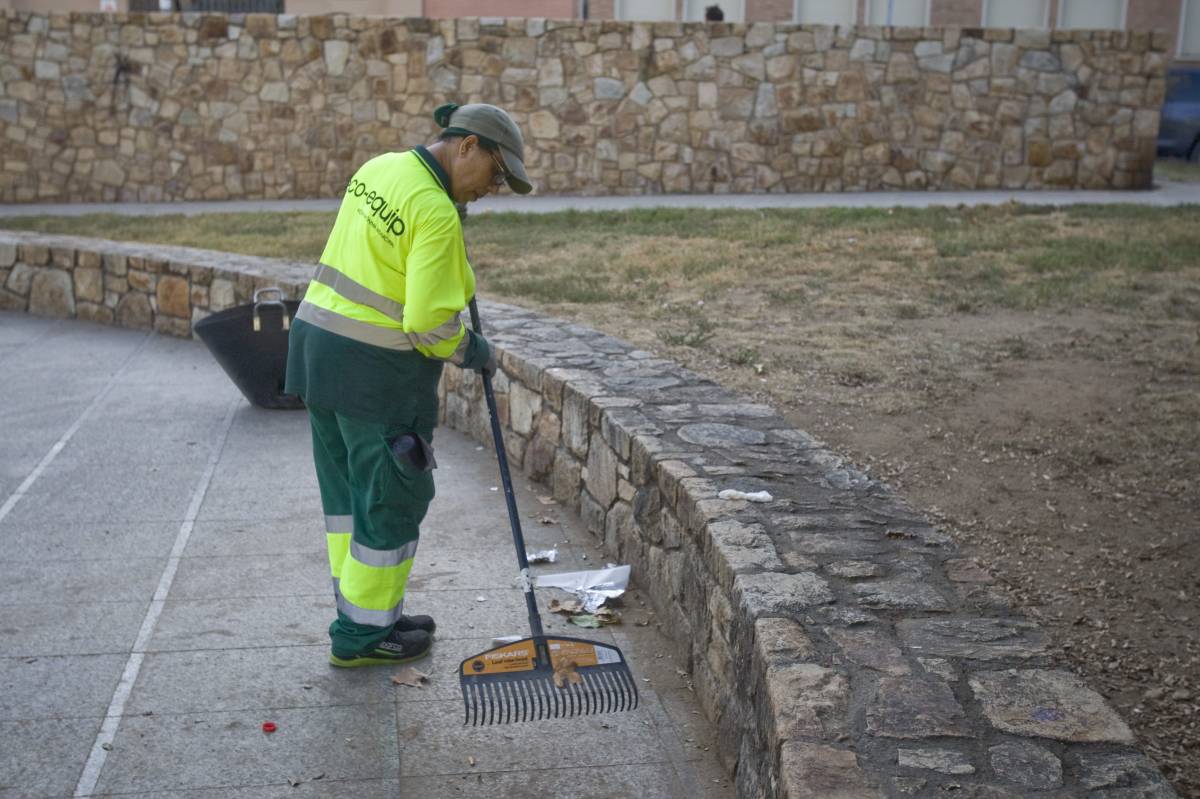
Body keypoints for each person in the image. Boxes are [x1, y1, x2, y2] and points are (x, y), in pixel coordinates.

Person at [285, 103, 534, 668]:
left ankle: (368, 615)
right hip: (374, 376)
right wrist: (474, 350)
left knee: (349, 498)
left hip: (317, 354)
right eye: (496, 173)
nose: (492, 189)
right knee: (392, 499)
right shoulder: (436, 211)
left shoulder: (382, 167)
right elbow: (427, 326)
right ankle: (362, 637)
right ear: (467, 146)